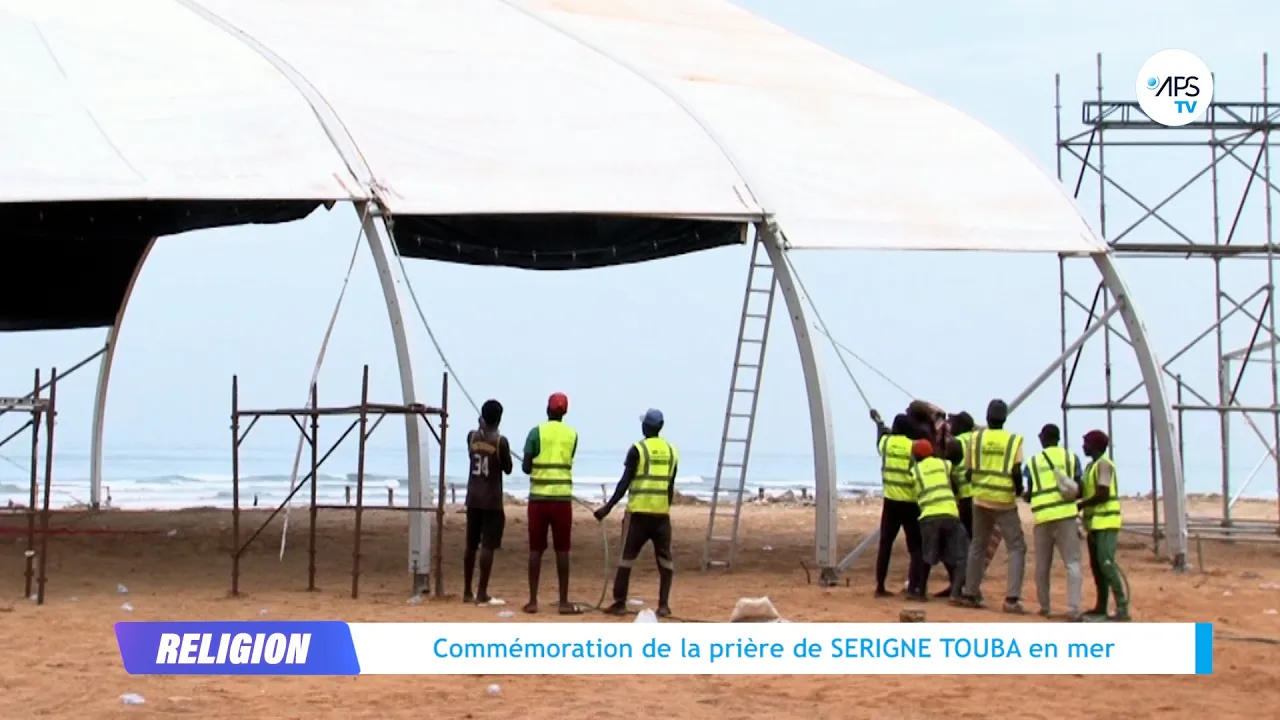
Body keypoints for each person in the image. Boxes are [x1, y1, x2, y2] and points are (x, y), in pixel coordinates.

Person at [595, 409, 678, 618]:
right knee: (665, 561)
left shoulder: (637, 450)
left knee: (626, 559)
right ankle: (664, 605)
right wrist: (665, 507)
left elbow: (625, 482)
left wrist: (608, 507)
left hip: (638, 514)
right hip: (661, 515)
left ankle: (620, 603)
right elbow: (670, 485)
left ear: (645, 427)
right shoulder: (671, 451)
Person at [959, 398, 1028, 613]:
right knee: (1016, 547)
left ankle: (970, 593)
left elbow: (969, 471)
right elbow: (1016, 471)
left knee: (978, 545)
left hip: (980, 498)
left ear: (987, 417)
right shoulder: (1013, 440)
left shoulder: (975, 439)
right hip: (1004, 501)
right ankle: (1011, 599)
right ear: (1005, 418)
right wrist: (1018, 490)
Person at [521, 392, 579, 615]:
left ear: (547, 410)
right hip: (562, 499)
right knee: (562, 550)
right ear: (564, 412)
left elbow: (526, 466)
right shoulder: (572, 435)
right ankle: (563, 601)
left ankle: (533, 601)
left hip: (539, 499)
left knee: (536, 550)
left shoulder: (536, 432)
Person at [1024, 423, 1084, 622]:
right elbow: (1079, 486)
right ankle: (1073, 609)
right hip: (1066, 516)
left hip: (1042, 518)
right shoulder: (1071, 458)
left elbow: (1029, 491)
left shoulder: (1032, 462)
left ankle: (1045, 607)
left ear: (1043, 438)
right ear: (1058, 438)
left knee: (1042, 566)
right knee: (1072, 564)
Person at [869, 410, 926, 600]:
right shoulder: (912, 446)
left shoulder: (886, 444)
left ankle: (880, 586)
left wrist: (878, 422)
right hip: (910, 502)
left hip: (890, 501)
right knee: (915, 547)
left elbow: (881, 436)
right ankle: (913, 588)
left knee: (885, 544)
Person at [463, 399, 513, 604]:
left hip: (473, 496)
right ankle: (481, 592)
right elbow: (508, 468)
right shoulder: (501, 442)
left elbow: (471, 454)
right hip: (491, 499)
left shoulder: (471, 437)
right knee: (488, 546)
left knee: (471, 544)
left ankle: (467, 591)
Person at [1078, 429, 1130, 622]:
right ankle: (1101, 607)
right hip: (1095, 523)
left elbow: (1103, 493)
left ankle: (1122, 607)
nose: (1084, 446)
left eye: (1086, 443)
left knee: (1106, 564)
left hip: (1106, 522)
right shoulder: (1091, 467)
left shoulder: (1104, 466)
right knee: (1097, 566)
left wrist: (1081, 504)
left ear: (1094, 445)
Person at [911, 438, 967, 603]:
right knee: (953, 554)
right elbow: (955, 486)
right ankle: (955, 591)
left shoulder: (916, 471)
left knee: (927, 556)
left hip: (929, 515)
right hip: (950, 513)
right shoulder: (944, 464)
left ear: (917, 456)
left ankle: (921, 592)